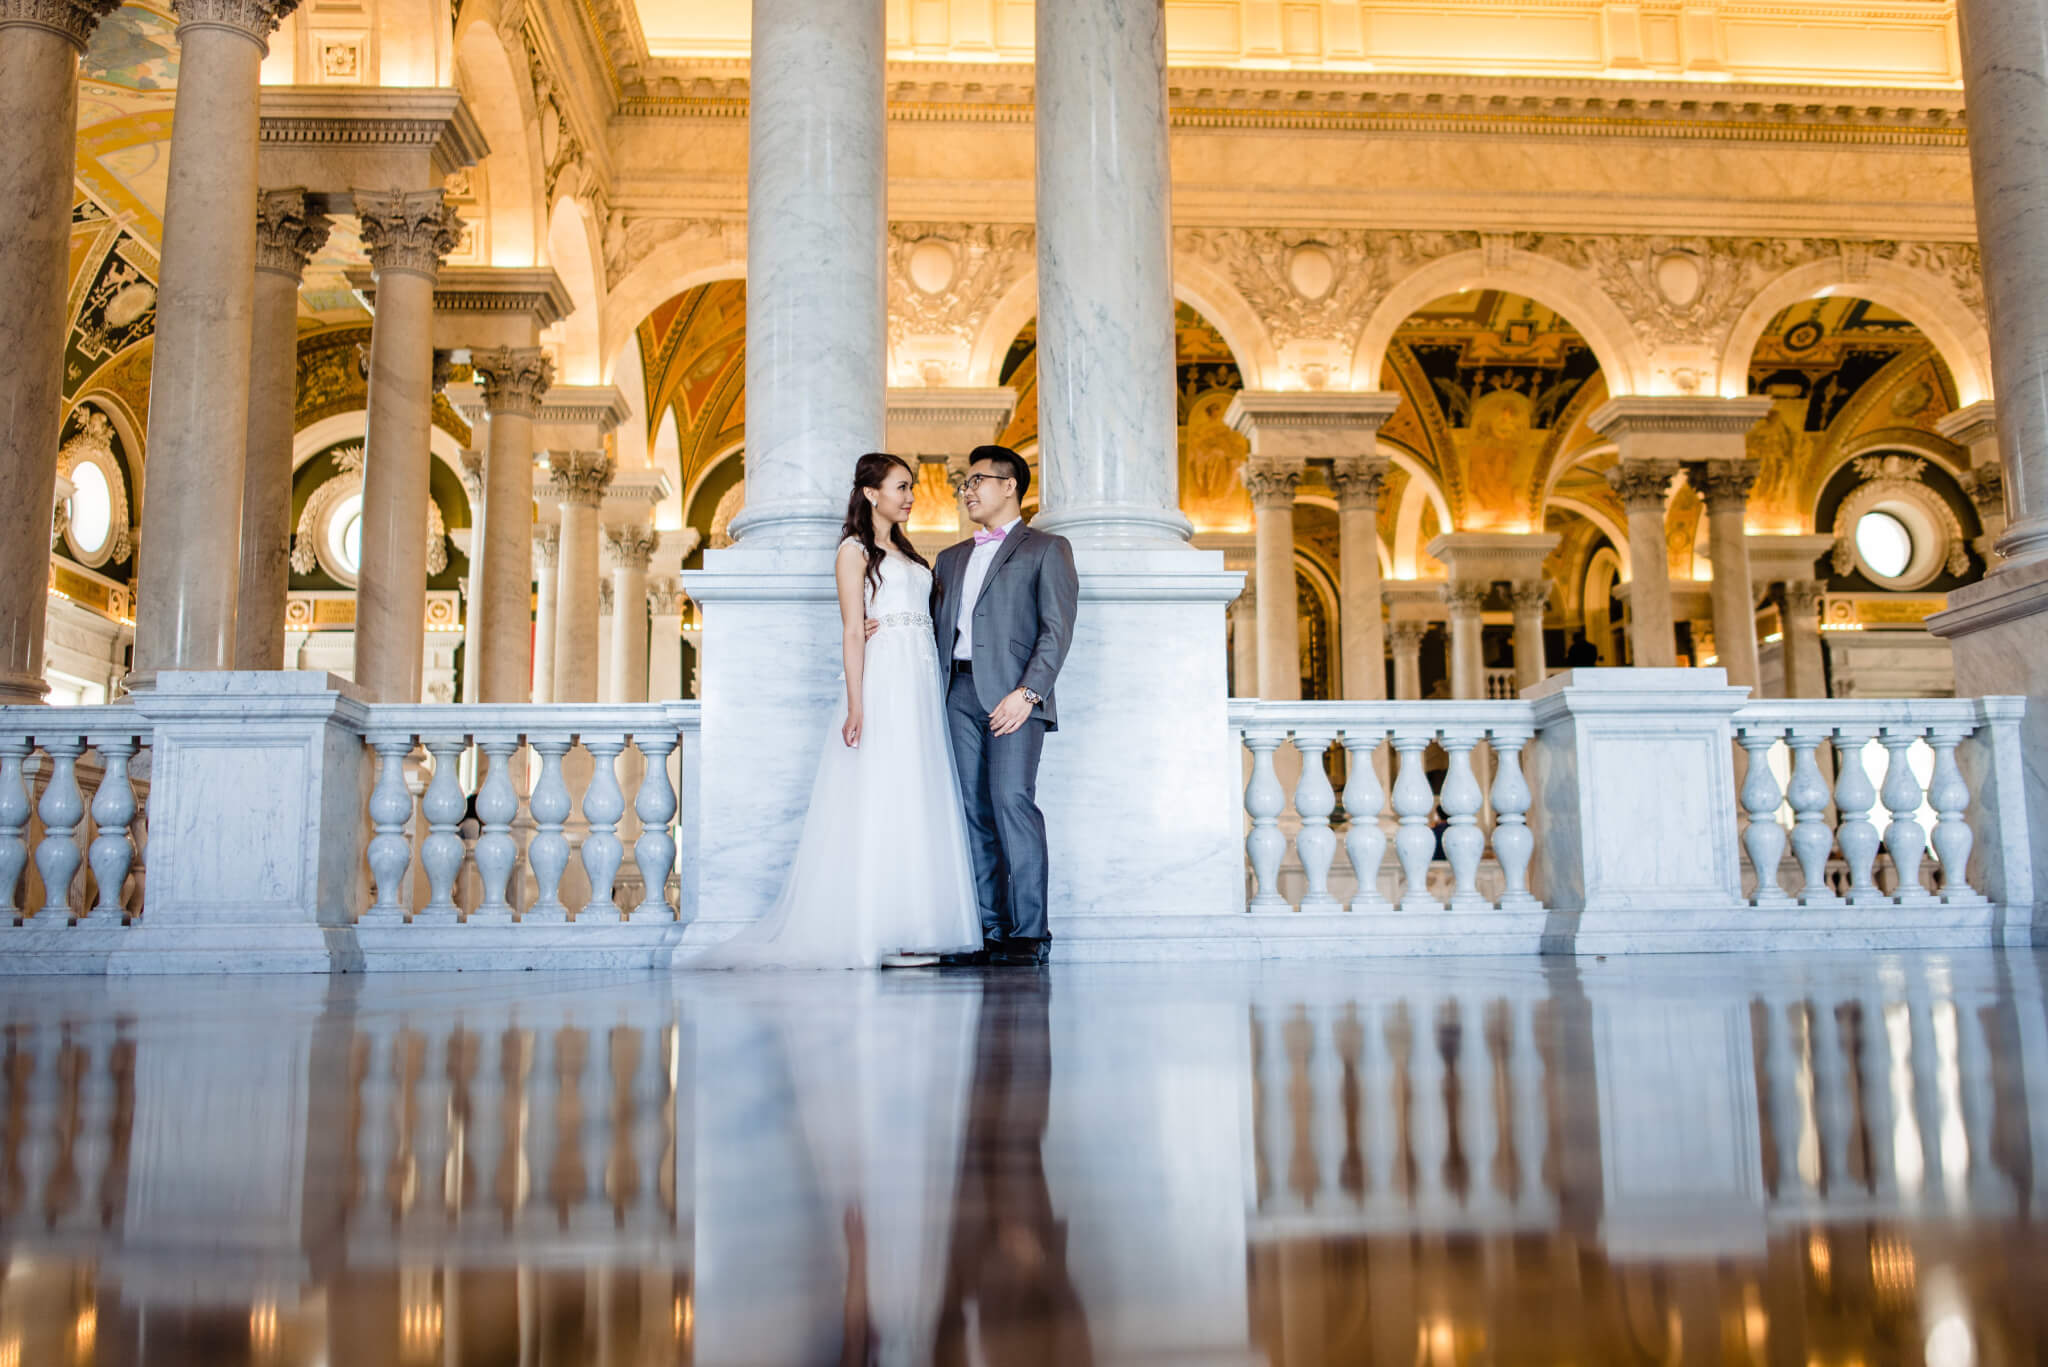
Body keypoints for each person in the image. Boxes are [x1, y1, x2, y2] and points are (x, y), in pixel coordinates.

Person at [689, 453, 983, 969]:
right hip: (885, 677)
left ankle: (914, 926)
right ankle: (876, 926)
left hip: (918, 680)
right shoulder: (853, 551)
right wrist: (856, 703)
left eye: (910, 487)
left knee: (917, 790)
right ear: (871, 493)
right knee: (881, 792)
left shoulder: (909, 553)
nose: (911, 496)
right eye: (901, 487)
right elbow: (852, 629)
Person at [927, 445, 1080, 968]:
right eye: (965, 484)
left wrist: (1029, 693)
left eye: (977, 481)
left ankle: (1029, 932)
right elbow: (931, 630)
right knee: (971, 811)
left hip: (1016, 696)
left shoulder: (1047, 548)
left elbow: (1056, 631)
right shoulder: (949, 559)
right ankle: (987, 931)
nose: (967, 490)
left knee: (1012, 802)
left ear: (1010, 485)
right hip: (956, 694)